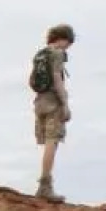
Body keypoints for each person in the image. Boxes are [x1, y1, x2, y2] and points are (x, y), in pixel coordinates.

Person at [29, 24, 75, 201]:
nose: (67, 47)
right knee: (52, 140)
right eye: (68, 43)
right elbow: (57, 78)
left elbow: (31, 80)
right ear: (63, 39)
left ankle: (44, 185)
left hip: (39, 101)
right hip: (52, 101)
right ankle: (45, 186)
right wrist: (65, 103)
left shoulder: (40, 54)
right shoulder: (56, 54)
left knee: (49, 140)